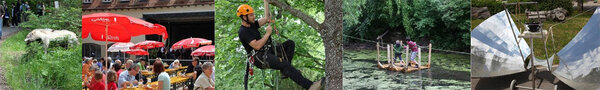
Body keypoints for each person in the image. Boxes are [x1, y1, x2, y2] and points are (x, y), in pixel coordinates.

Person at [236, 1, 322, 89]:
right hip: (259, 57)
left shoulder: (252, 25)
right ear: (244, 17)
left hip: (267, 51)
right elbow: (257, 46)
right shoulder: (243, 32)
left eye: (253, 14)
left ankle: (286, 71)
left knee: (290, 44)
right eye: (251, 15)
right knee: (285, 65)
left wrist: (266, 2)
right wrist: (267, 34)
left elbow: (266, 18)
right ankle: (309, 86)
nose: (253, 17)